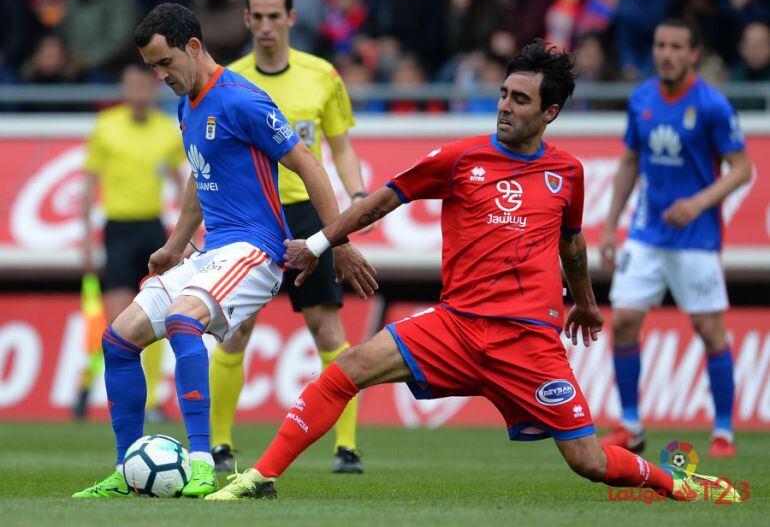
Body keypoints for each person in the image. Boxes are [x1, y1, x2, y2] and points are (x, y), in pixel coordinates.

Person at [206, 40, 739, 503]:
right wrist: (322, 243)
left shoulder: (567, 172)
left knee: (590, 462)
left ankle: (680, 485)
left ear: (549, 113)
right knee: (346, 371)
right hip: (455, 326)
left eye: (520, 100)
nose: (504, 107)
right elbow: (379, 203)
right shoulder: (460, 158)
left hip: (529, 342)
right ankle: (261, 475)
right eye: (504, 94)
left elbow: (571, 244)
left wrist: (585, 300)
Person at [72, 2, 376, 499]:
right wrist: (173, 246)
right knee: (118, 339)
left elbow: (309, 165)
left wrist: (335, 242)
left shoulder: (242, 100)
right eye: (152, 66)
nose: (160, 75)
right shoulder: (186, 104)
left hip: (256, 249)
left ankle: (201, 464)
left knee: (182, 321)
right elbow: (200, 172)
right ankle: (127, 469)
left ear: (193, 47)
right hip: (212, 251)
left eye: (165, 62)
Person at [209, 0, 371, 475]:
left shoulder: (322, 75)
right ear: (245, 19)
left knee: (326, 328)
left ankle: (346, 447)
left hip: (307, 214)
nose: (264, 26)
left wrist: (358, 197)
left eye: (274, 16)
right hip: (251, 213)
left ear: (292, 18)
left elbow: (339, 144)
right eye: (256, 16)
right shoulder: (227, 78)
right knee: (234, 331)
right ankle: (220, 446)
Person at [599, 18, 752, 458]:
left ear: (693, 54)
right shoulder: (642, 97)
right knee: (624, 322)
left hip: (696, 238)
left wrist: (699, 202)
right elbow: (630, 161)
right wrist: (611, 226)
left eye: (675, 46)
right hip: (646, 233)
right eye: (660, 44)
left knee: (709, 329)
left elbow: (742, 169)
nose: (665, 53)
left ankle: (723, 430)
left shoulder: (712, 105)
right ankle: (631, 425)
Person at [76, 63, 185, 421]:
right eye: (131, 84)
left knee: (155, 316)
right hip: (118, 229)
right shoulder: (106, 127)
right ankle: (89, 383)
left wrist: (188, 232)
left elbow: (181, 181)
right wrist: (87, 240)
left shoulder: (166, 131)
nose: (138, 90)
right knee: (117, 320)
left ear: (152, 88)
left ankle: (151, 400)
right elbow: (90, 184)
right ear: (124, 88)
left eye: (143, 84)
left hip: (152, 228)